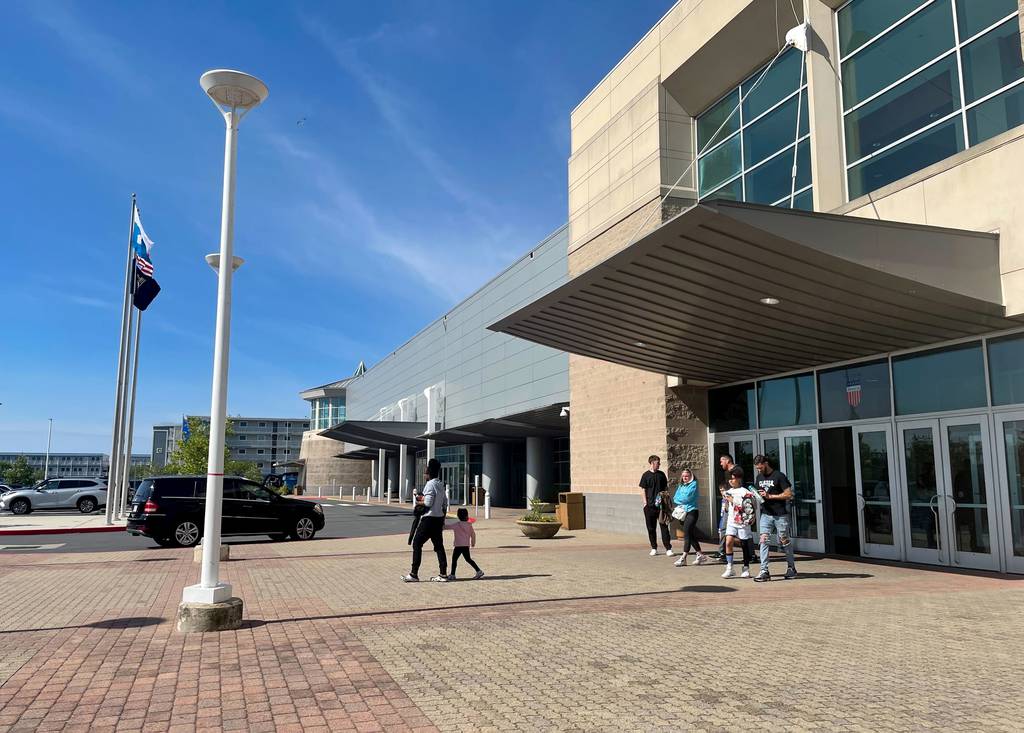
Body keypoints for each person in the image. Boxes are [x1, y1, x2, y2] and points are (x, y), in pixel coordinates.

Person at [401, 458, 450, 582]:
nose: (424, 475)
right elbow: (445, 503)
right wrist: (443, 518)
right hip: (438, 519)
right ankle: (443, 573)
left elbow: (428, 503)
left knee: (417, 543)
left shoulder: (430, 484)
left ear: (429, 473)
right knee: (439, 546)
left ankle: (414, 574)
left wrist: (419, 500)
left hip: (428, 520)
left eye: (425, 473)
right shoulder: (440, 484)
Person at [752, 454, 797, 582]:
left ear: (766, 463)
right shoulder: (759, 477)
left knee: (784, 541)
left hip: (780, 514)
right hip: (766, 514)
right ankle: (764, 570)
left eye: (760, 468)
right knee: (763, 540)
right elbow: (758, 493)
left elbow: (789, 494)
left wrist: (770, 496)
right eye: (757, 469)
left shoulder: (779, 476)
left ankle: (791, 567)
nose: (759, 471)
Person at [721, 466, 756, 578]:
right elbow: (726, 507)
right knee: (728, 541)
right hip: (731, 520)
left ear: (739, 479)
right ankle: (729, 567)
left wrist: (733, 500)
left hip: (742, 522)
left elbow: (748, 506)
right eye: (729, 479)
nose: (730, 481)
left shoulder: (745, 492)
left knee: (744, 544)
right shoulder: (729, 491)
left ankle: (746, 567)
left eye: (733, 478)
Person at [672, 468, 710, 567]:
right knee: (690, 534)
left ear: (691, 476)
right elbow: (675, 497)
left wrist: (681, 499)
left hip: (692, 511)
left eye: (687, 476)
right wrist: (681, 499)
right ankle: (700, 554)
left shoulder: (694, 484)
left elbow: (687, 498)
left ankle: (684, 557)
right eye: (683, 476)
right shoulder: (681, 485)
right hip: (683, 512)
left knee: (687, 533)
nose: (685, 478)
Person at [639, 455, 675, 556]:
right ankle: (654, 547)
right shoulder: (645, 475)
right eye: (657, 463)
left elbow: (665, 489)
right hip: (649, 506)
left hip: (661, 507)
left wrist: (666, 502)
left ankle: (668, 548)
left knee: (664, 526)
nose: (659, 464)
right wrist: (645, 503)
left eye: (659, 463)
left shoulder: (661, 475)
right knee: (651, 528)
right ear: (652, 463)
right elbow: (643, 490)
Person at [446, 507, 484, 580]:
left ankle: (452, 574)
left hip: (458, 545)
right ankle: (478, 571)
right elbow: (473, 534)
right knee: (468, 559)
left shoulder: (456, 524)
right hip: (466, 545)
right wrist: (473, 542)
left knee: (454, 560)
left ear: (458, 515)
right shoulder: (469, 524)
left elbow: (446, 527)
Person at [714, 454, 736, 560]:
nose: (720, 463)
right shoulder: (727, 472)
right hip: (728, 503)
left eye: (721, 461)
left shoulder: (736, 470)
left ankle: (751, 554)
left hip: (735, 503)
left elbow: (737, 487)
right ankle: (722, 552)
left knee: (743, 532)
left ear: (727, 461)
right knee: (723, 529)